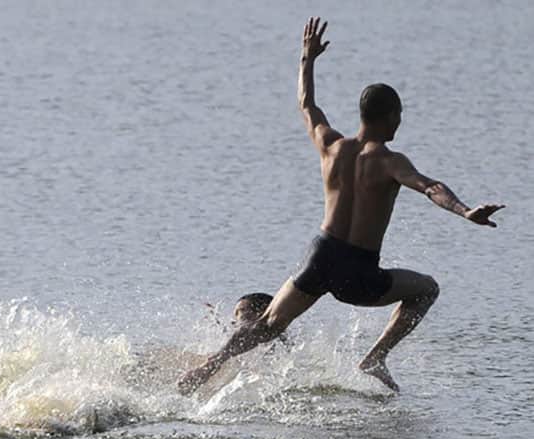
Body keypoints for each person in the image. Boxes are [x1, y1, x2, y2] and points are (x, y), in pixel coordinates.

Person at [178, 17, 504, 395]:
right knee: (427, 289)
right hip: (358, 271)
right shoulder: (390, 161)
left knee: (267, 324)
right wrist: (465, 211)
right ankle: (375, 358)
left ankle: (207, 368)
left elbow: (306, 104)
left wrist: (307, 58)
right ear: (389, 117)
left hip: (320, 254)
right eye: (398, 116)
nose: (399, 123)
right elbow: (430, 187)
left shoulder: (331, 145)